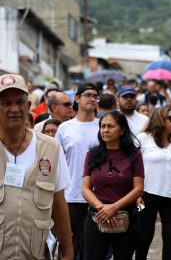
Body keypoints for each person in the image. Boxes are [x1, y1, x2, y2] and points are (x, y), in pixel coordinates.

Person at [0, 74, 73, 259]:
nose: (14, 109)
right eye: (6, 103)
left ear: (28, 106)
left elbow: (59, 204)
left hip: (35, 253)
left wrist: (67, 252)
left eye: (20, 102)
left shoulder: (51, 148)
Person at [82, 110, 144, 260]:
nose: (105, 130)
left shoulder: (134, 154)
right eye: (102, 126)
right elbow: (85, 188)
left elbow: (138, 188)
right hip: (97, 217)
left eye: (110, 126)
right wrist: (102, 209)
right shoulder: (92, 154)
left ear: (122, 130)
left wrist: (114, 208)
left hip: (125, 217)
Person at [135, 106, 171, 260]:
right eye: (170, 118)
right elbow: (135, 168)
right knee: (144, 235)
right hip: (146, 194)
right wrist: (136, 193)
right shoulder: (143, 138)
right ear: (159, 120)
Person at [55, 82, 100, 259]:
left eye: (95, 96)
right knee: (70, 247)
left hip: (98, 197)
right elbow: (57, 162)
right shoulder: (65, 128)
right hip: (71, 196)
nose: (92, 99)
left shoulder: (103, 126)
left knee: (93, 249)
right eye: (88, 95)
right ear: (77, 98)